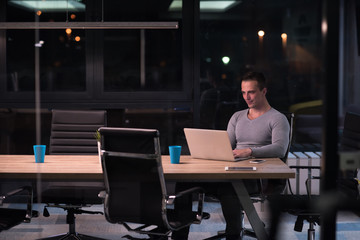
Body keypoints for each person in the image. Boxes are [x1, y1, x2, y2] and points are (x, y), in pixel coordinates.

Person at [171, 71, 290, 240]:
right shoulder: (237, 117)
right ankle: (179, 237)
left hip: (258, 177)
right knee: (184, 183)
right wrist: (211, 151)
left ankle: (233, 235)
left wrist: (250, 151)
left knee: (231, 187)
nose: (246, 97)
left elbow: (280, 149)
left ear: (264, 91)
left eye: (251, 92)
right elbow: (226, 146)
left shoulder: (278, 119)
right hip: (232, 171)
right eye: (243, 92)